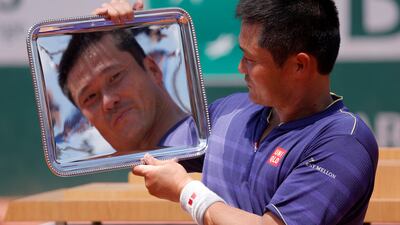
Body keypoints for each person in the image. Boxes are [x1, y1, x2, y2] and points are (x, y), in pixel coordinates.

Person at [95, 0, 379, 224]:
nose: (241, 68)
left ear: (299, 66)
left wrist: (187, 192)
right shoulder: (230, 111)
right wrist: (124, 34)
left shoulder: (344, 142)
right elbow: (143, 141)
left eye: (250, 59)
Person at [58, 29, 193, 153]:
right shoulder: (106, 178)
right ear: (87, 120)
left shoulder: (213, 129)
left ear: (153, 70)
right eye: (90, 97)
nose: (108, 101)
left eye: (115, 77)